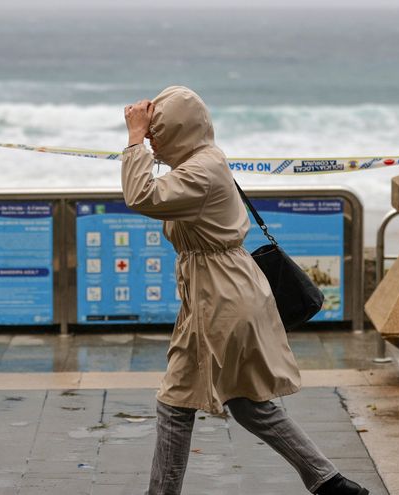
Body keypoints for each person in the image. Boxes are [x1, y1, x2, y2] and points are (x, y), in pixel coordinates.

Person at [122, 86, 368, 495]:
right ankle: (332, 484)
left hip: (222, 297)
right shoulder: (201, 160)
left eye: (156, 133)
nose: (151, 141)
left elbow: (140, 195)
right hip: (220, 292)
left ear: (179, 131)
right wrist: (143, 141)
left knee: (176, 403)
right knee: (247, 403)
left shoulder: (201, 171)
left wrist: (133, 140)